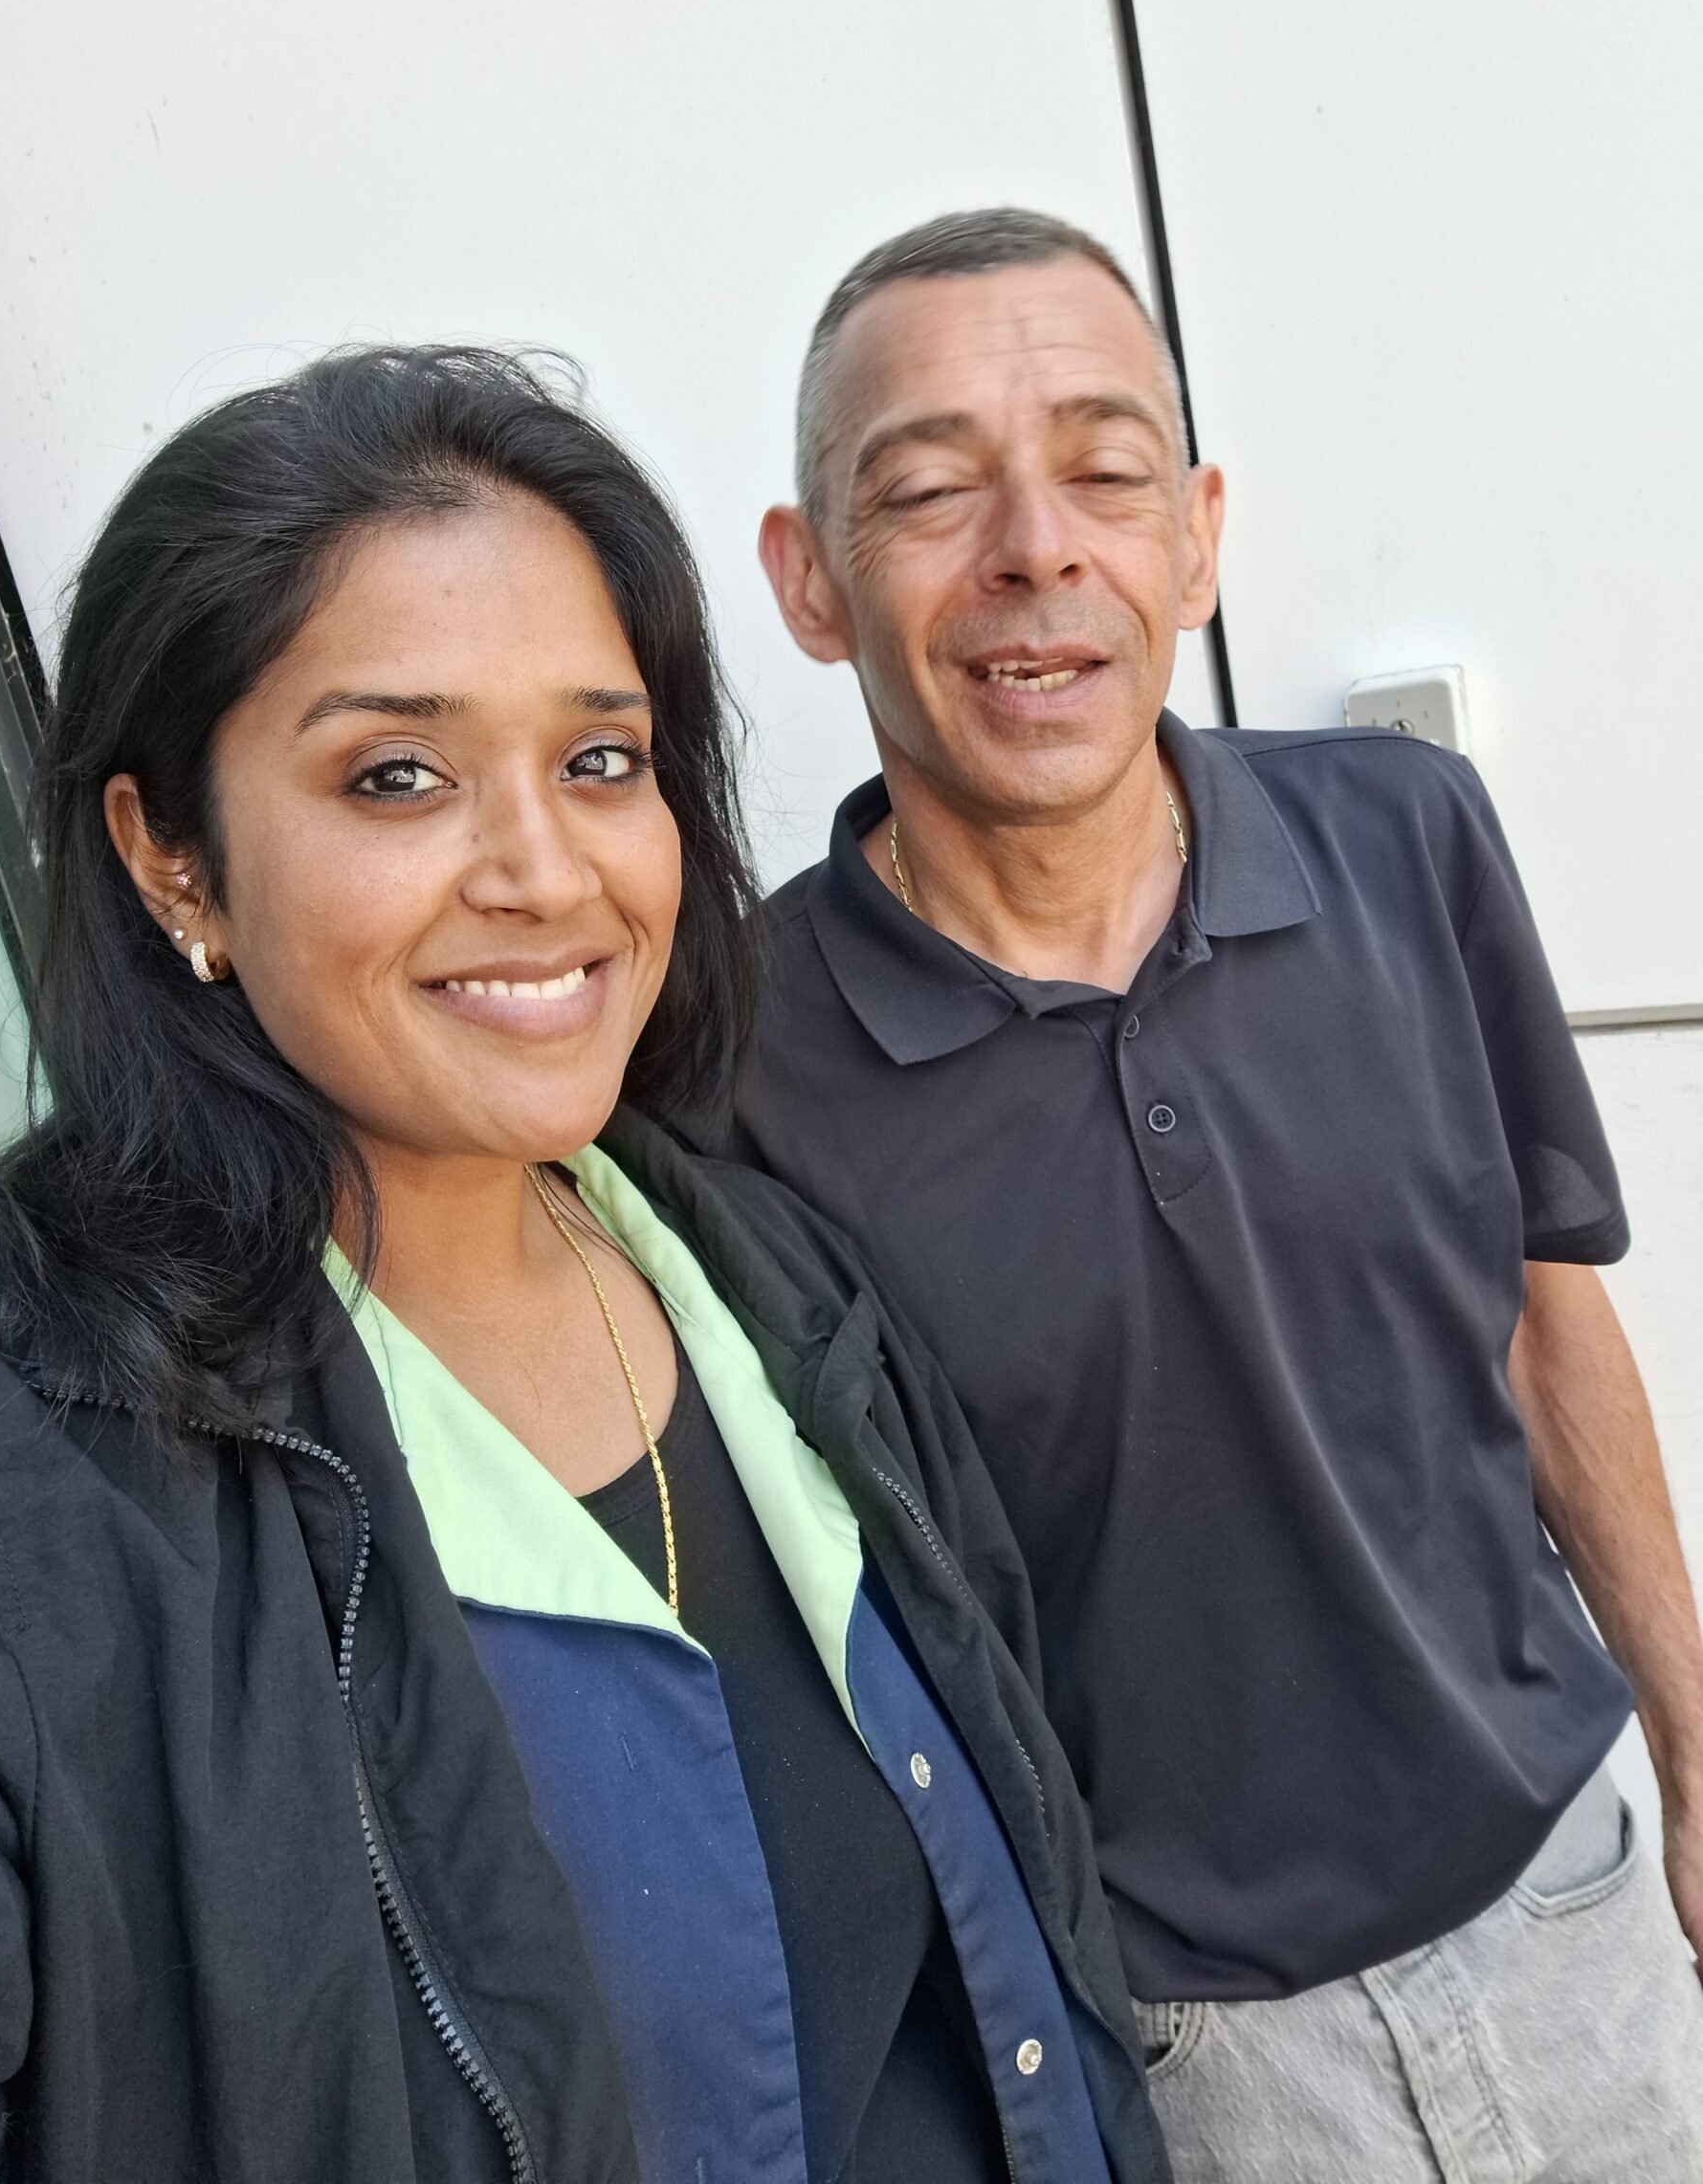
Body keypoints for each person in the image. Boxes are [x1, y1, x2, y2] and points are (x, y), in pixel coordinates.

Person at [0, 345, 1171, 2184]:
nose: (547, 871)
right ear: (173, 860)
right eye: (398, 776)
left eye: (599, 759)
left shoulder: (762, 1276)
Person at [705, 208, 1703, 2179]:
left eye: (1105, 469)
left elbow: (1543, 1320)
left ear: (1199, 534)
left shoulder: (1409, 837)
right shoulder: (730, 1059)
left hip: (1574, 1901)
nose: (1036, 548)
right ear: (810, 579)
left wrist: (1689, 1740)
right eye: (931, 491)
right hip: (1191, 2049)